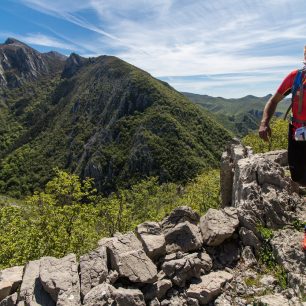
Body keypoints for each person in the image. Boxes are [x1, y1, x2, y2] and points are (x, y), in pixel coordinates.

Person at [259, 46, 306, 187]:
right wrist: (264, 122)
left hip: (298, 132)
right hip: (297, 133)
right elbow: (273, 101)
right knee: (297, 176)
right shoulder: (295, 77)